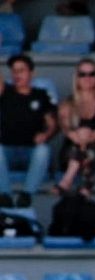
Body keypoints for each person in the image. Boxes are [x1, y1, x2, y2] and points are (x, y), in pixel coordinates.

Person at [0, 54, 57, 207]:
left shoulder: (41, 95)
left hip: (30, 151)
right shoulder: (5, 91)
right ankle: (5, 196)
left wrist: (45, 134)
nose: (17, 75)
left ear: (32, 73)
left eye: (21, 70)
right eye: (14, 71)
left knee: (43, 150)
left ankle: (26, 195)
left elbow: (52, 124)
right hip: (7, 150)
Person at [55, 58, 95, 196]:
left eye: (92, 74)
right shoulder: (66, 105)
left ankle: (66, 181)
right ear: (76, 78)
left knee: (89, 145)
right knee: (83, 146)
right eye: (82, 74)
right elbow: (67, 130)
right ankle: (85, 187)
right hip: (71, 153)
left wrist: (87, 135)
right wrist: (80, 137)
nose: (87, 78)